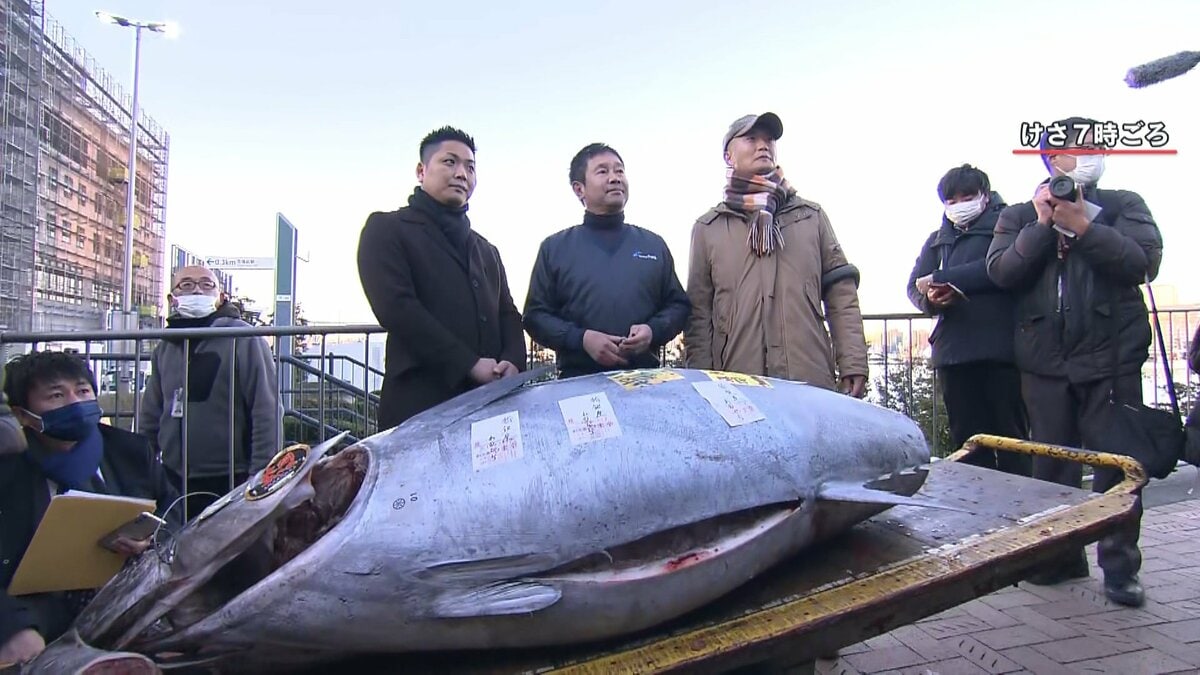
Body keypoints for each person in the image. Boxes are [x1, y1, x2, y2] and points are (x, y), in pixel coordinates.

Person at [986, 116, 1163, 607]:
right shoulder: (1021, 215)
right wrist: (1044, 226)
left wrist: (1086, 226)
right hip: (1044, 362)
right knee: (1053, 469)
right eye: (1070, 147)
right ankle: (1059, 557)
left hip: (1112, 358)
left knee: (1118, 468)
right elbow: (1002, 271)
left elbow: (1142, 263)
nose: (1084, 154)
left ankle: (1121, 568)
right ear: (1048, 160)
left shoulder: (1124, 205)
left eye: (1091, 145)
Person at [0, 351, 180, 666]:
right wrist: (13, 627)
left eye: (83, 391)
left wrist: (154, 542)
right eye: (56, 395)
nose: (75, 403)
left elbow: (175, 516)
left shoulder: (131, 453)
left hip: (130, 599)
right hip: (39, 614)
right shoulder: (9, 472)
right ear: (23, 415)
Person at [684, 112, 868, 395]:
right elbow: (699, 314)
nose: (763, 145)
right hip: (736, 384)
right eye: (751, 138)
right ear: (729, 155)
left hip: (808, 378)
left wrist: (853, 362)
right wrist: (700, 383)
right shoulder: (709, 228)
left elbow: (840, 294)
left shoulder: (810, 216)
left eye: (769, 139)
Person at [357, 126, 526, 428]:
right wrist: (469, 365)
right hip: (420, 407)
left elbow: (508, 313)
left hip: (490, 408)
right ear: (421, 171)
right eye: (450, 162)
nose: (462, 173)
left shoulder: (487, 250)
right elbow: (397, 309)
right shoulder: (387, 229)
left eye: (470, 167)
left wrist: (513, 362)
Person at [523, 143, 691, 378]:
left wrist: (652, 331)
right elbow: (535, 316)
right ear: (579, 189)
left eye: (619, 171)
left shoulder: (653, 245)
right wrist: (582, 339)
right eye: (602, 171)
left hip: (646, 382)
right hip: (577, 385)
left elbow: (678, 306)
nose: (615, 178)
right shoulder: (555, 248)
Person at [906, 164, 1030, 474]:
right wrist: (930, 299)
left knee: (1012, 440)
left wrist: (942, 276)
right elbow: (915, 284)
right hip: (954, 354)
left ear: (984, 196)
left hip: (1001, 351)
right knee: (969, 444)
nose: (960, 205)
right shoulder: (939, 239)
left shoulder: (1008, 227)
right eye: (952, 199)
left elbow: (997, 271)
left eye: (967, 196)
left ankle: (1021, 507)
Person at [140, 264, 282, 519]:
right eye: (186, 285)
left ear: (221, 297)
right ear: (173, 299)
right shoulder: (166, 346)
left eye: (207, 285)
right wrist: (143, 468)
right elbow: (151, 412)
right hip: (175, 477)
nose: (197, 291)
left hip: (231, 477)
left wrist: (261, 474)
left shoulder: (244, 338)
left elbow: (266, 408)